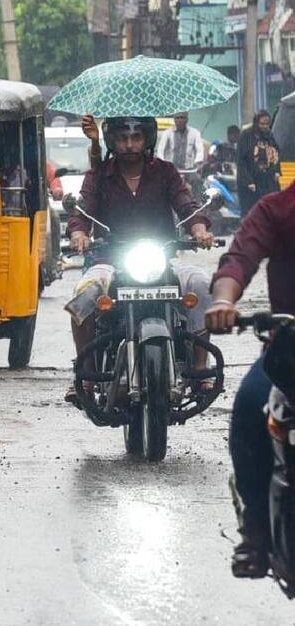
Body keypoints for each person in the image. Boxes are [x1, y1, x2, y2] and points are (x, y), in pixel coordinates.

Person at [64, 116, 215, 405]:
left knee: (201, 283)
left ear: (148, 138)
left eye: (136, 136)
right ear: (112, 140)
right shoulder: (98, 176)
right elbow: (81, 213)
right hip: (110, 260)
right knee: (84, 294)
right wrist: (79, 234)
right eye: (123, 137)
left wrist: (199, 229)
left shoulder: (166, 172)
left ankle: (199, 370)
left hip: (162, 259)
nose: (130, 143)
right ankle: (86, 374)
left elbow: (186, 204)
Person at [204, 180, 295, 578]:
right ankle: (256, 530)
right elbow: (238, 260)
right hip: (290, 351)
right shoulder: (278, 208)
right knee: (248, 405)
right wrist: (224, 300)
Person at [237, 110, 281, 214]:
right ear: (256, 123)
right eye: (262, 124)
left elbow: (276, 152)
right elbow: (241, 160)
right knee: (251, 211)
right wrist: (248, 181)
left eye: (267, 124)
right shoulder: (246, 136)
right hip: (252, 181)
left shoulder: (269, 135)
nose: (265, 126)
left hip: (268, 180)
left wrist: (276, 171)